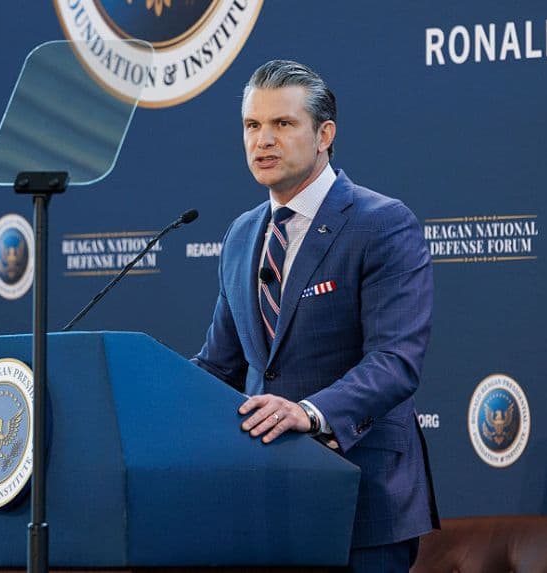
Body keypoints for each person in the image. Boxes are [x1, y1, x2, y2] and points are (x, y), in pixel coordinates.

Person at [192, 60, 439, 572]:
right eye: (252, 125)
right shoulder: (242, 235)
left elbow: (395, 361)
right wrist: (142, 391)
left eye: (282, 124)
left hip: (362, 496)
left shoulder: (381, 224)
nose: (263, 140)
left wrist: (308, 411)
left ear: (324, 134)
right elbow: (219, 367)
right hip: (267, 497)